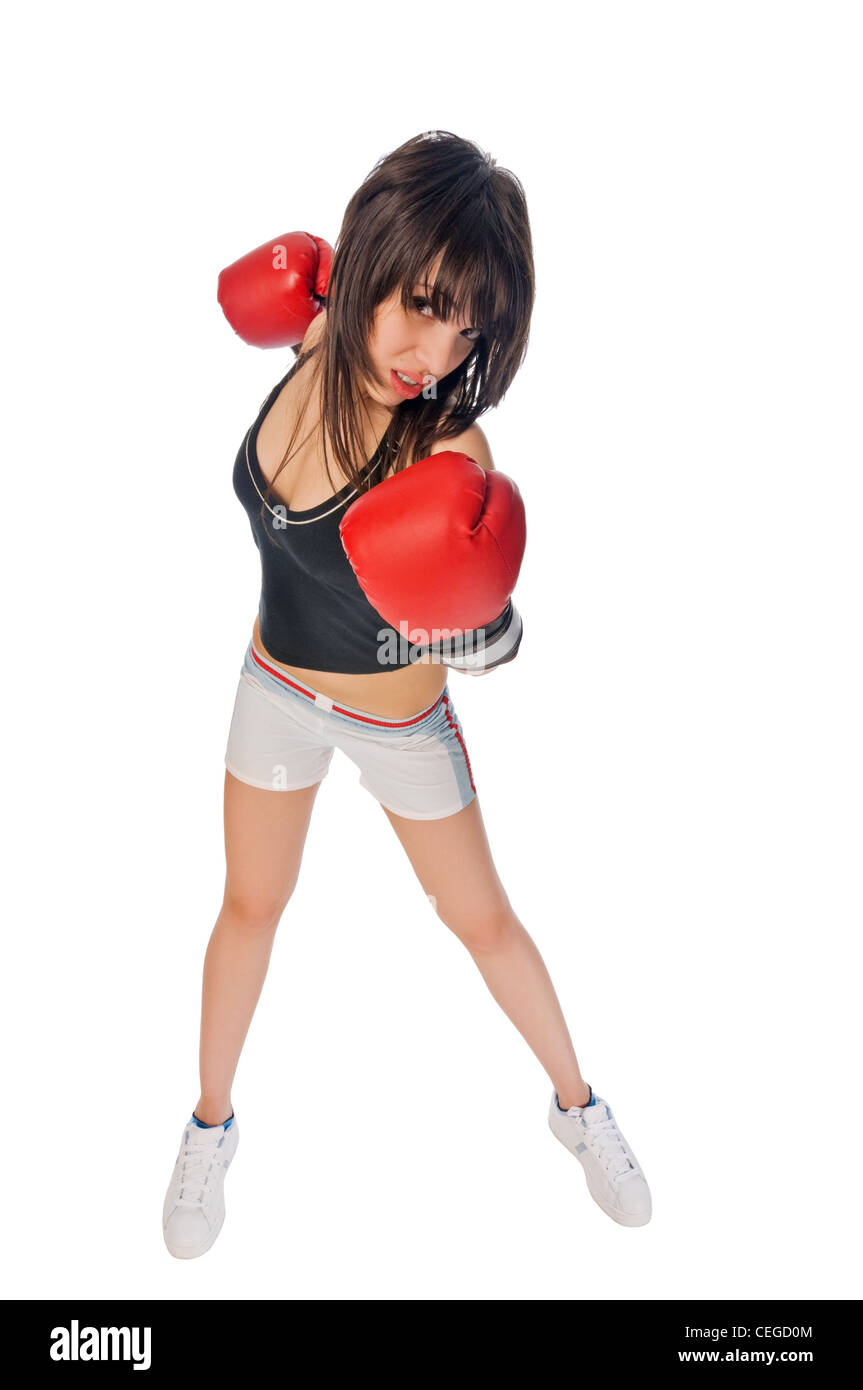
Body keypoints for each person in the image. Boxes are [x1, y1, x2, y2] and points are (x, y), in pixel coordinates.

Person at [162, 131, 652, 1258]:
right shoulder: (316, 326)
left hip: (400, 723)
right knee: (248, 906)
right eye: (422, 301)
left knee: (480, 920)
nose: (431, 348)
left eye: (464, 324)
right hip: (274, 686)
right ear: (366, 261)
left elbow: (493, 640)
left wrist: (480, 610)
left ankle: (576, 1106)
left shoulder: (445, 448)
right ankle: (207, 1125)